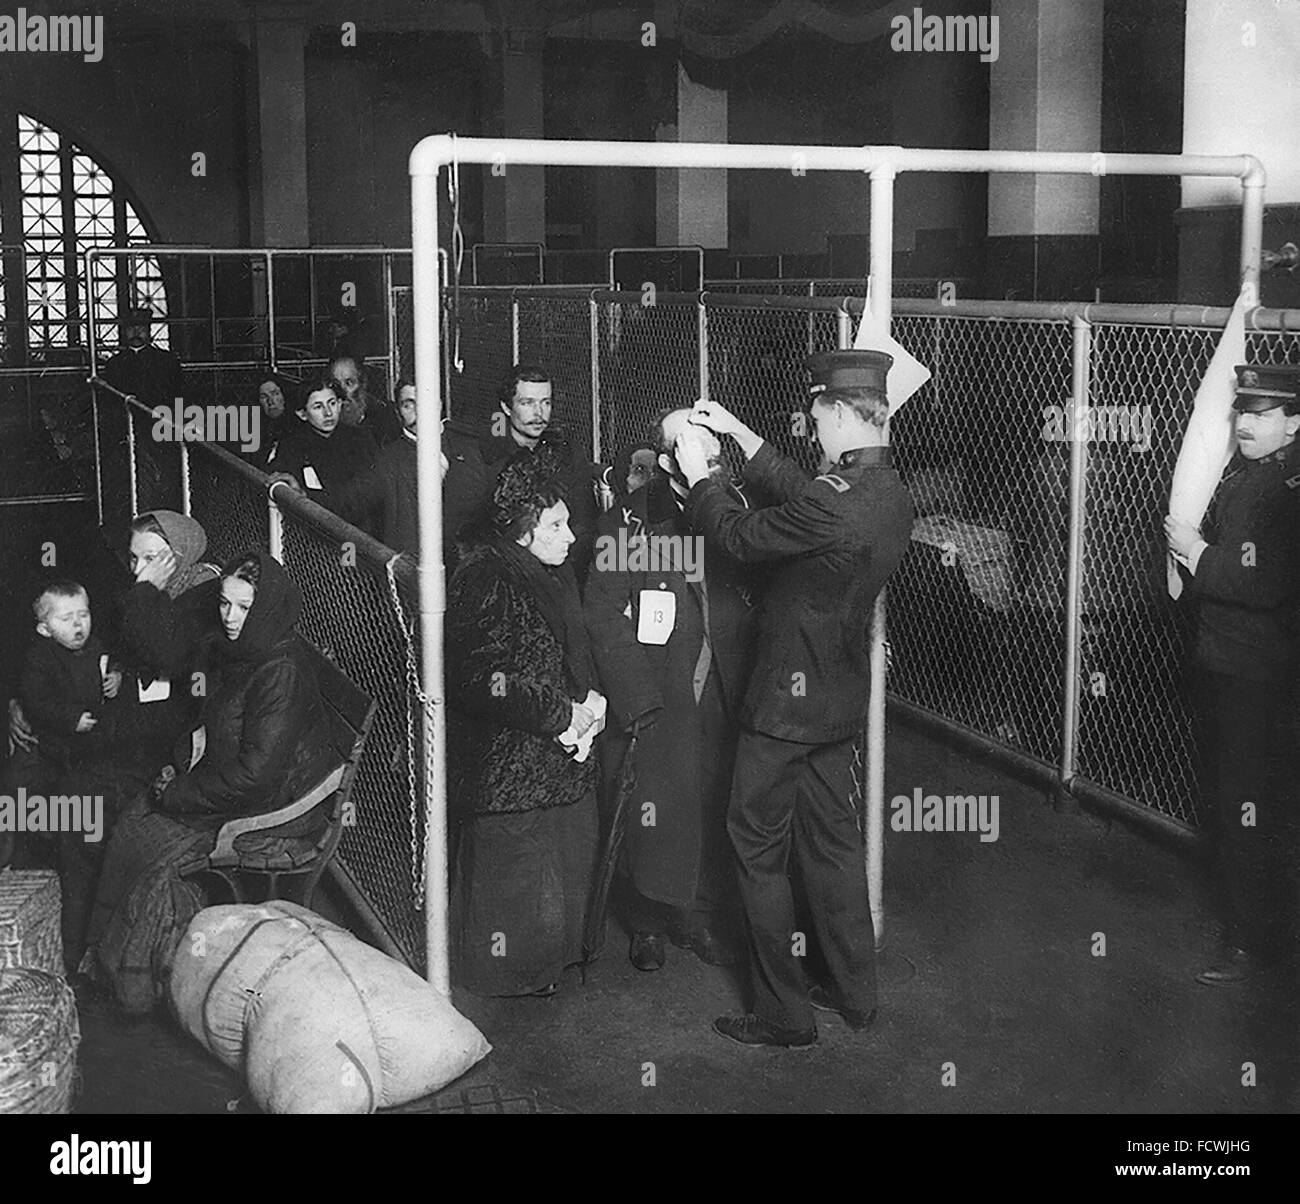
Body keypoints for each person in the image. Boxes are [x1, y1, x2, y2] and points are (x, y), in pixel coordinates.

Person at [674, 350, 915, 1048]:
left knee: (754, 846)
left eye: (816, 417)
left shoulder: (833, 507)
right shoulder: (888, 490)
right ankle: (855, 991)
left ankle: (783, 1012)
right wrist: (744, 437)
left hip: (783, 706)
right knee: (835, 845)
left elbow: (739, 536)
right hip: (836, 702)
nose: (811, 429)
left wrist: (702, 477)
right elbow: (807, 491)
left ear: (841, 414)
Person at [85, 551, 334, 1015]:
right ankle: (116, 964)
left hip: (276, 806)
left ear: (266, 609)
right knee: (135, 820)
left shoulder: (280, 672)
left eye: (243, 608)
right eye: (224, 604)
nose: (230, 617)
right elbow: (214, 723)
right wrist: (181, 763)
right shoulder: (242, 651)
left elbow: (256, 776)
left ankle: (137, 982)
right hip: (240, 783)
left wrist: (179, 792)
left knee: (154, 843)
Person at [585, 408, 755, 971]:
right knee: (655, 811)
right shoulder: (632, 526)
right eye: (694, 456)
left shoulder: (733, 513)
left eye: (713, 457)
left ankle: (697, 914)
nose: (710, 467)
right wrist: (636, 699)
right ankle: (649, 921)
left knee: (712, 804)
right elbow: (605, 617)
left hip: (723, 693)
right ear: (665, 462)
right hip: (661, 698)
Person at [446, 453, 605, 997]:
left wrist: (586, 700)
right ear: (521, 532)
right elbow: (479, 679)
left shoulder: (544, 571)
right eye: (556, 526)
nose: (571, 535)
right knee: (518, 874)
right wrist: (561, 712)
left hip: (548, 754)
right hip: (507, 761)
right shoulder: (486, 579)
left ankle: (548, 965)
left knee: (560, 857)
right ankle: (516, 978)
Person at [1164, 363, 1300, 986]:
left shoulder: (1284, 491)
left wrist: (1194, 552)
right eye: (1242, 411)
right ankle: (1258, 931)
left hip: (1257, 672)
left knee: (1250, 804)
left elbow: (1264, 582)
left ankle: (1254, 944)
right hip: (1234, 662)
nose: (1245, 423)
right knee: (1240, 798)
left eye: (1263, 414)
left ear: (1293, 422)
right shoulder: (1257, 477)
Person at [333, 378, 491, 563]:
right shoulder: (387, 460)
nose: (419, 411)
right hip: (413, 569)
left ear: (439, 405)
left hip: (468, 563)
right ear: (398, 412)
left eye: (426, 402)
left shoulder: (469, 447)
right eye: (408, 405)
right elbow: (349, 502)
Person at [478, 365, 604, 580]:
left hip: (563, 566)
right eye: (527, 403)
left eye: (545, 403)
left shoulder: (567, 452)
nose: (539, 413)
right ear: (506, 408)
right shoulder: (489, 457)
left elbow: (584, 521)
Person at [97, 306, 186, 526]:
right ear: (124, 331)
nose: (136, 332)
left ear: (149, 330)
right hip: (127, 433)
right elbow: (110, 404)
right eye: (131, 328)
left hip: (160, 430)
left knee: (165, 481)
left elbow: (179, 395)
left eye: (141, 327)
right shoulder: (115, 364)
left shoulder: (167, 361)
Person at [268, 378, 378, 515]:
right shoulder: (292, 445)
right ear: (302, 414)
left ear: (339, 404)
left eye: (332, 403)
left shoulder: (360, 439)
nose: (328, 413)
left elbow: (368, 495)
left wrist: (307, 496)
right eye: (318, 407)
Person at [330, 354, 401, 447]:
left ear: (362, 384)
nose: (342, 391)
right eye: (336, 385)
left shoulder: (384, 418)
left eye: (349, 383)